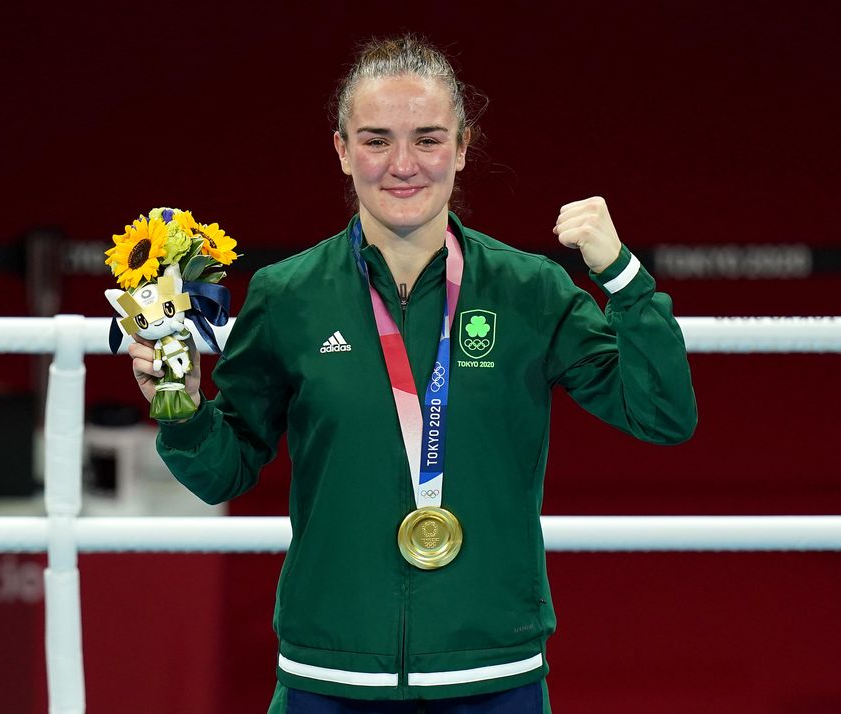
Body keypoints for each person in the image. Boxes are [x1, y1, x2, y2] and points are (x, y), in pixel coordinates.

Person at [128, 35, 697, 714]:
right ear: (341, 150)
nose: (403, 165)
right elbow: (224, 471)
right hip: (329, 676)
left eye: (428, 139)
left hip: (493, 672)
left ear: (461, 148)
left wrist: (622, 276)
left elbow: (663, 414)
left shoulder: (530, 290)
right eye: (376, 140)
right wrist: (183, 410)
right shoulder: (288, 296)